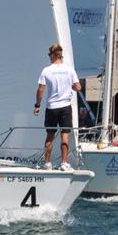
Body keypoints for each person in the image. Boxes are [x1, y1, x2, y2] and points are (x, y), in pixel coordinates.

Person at [34, 43, 81, 171]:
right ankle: (64, 163)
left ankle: (47, 164)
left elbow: (40, 90)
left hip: (52, 108)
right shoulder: (69, 69)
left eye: (49, 55)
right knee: (64, 136)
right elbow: (78, 87)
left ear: (53, 55)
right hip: (65, 107)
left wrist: (37, 105)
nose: (49, 57)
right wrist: (68, 86)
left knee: (50, 136)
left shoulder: (46, 70)